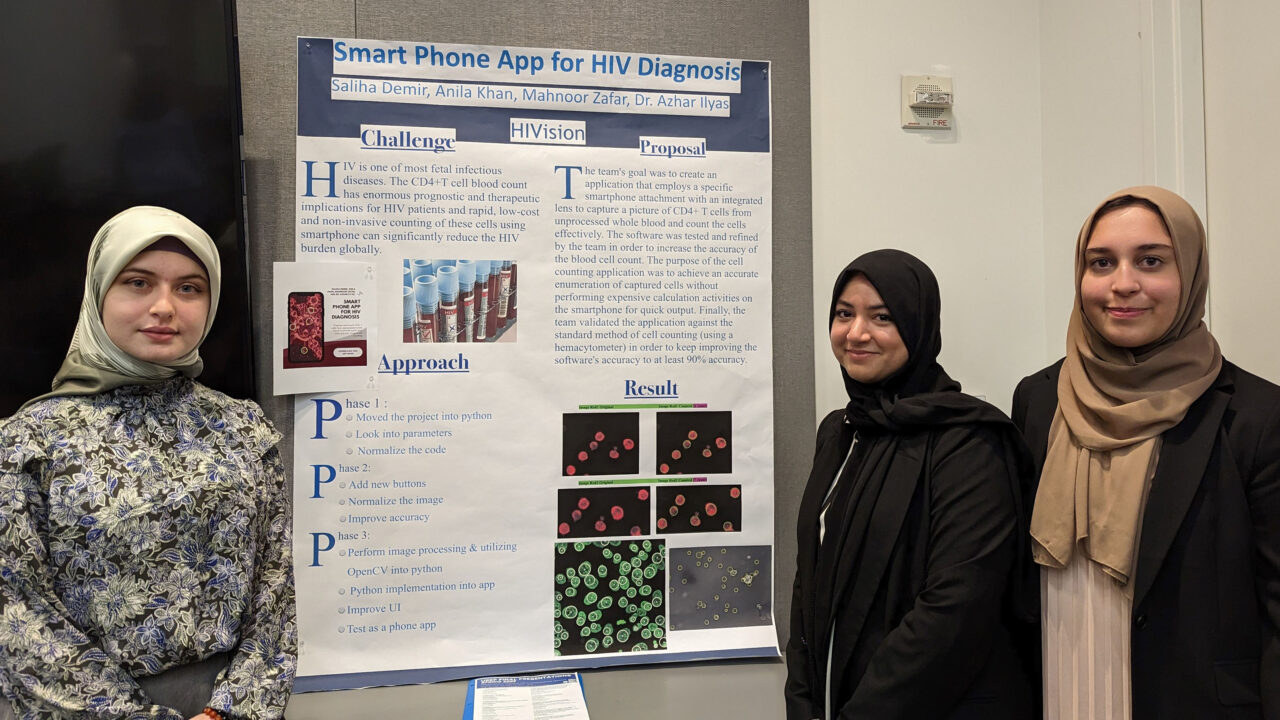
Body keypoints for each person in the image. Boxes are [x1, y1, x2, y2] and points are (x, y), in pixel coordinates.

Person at [0, 207, 296, 719]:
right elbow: (19, 617)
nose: (165, 306)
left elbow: (275, 594)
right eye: (138, 283)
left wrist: (232, 711)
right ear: (97, 295)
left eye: (189, 288)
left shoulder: (246, 432)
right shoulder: (27, 444)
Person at [1012, 186, 1279, 719]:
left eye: (1151, 261)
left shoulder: (1256, 415)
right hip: (1059, 690)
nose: (1123, 284)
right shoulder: (1040, 400)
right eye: (1101, 262)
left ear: (1192, 273)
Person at [785, 249, 1035, 720]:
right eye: (844, 314)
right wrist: (802, 701)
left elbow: (955, 611)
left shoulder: (970, 441)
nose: (856, 333)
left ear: (918, 325)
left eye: (882, 317)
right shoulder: (840, 432)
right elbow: (809, 582)